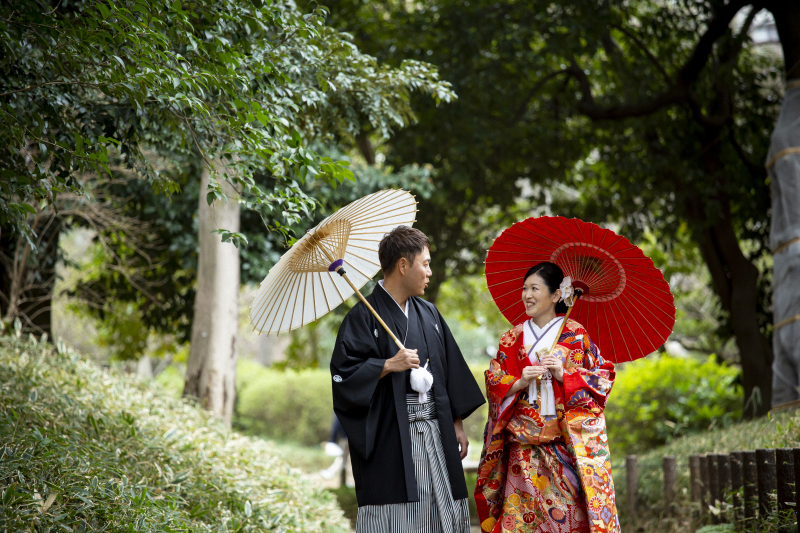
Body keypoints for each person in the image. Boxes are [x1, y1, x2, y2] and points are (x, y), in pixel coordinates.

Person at [331, 226, 485, 533]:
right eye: (425, 263)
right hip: (392, 436)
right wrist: (387, 364)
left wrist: (456, 423)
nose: (429, 271)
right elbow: (344, 377)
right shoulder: (362, 318)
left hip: (437, 431)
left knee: (441, 508)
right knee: (402, 516)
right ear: (403, 265)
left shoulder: (429, 313)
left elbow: (449, 370)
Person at [474, 262, 619, 533]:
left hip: (562, 448)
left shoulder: (575, 336)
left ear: (555, 296)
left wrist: (565, 375)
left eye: (535, 288)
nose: (527, 295)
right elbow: (494, 380)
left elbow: (602, 379)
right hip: (522, 450)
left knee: (567, 523)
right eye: (524, 288)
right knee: (519, 524)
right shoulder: (512, 338)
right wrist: (520, 381)